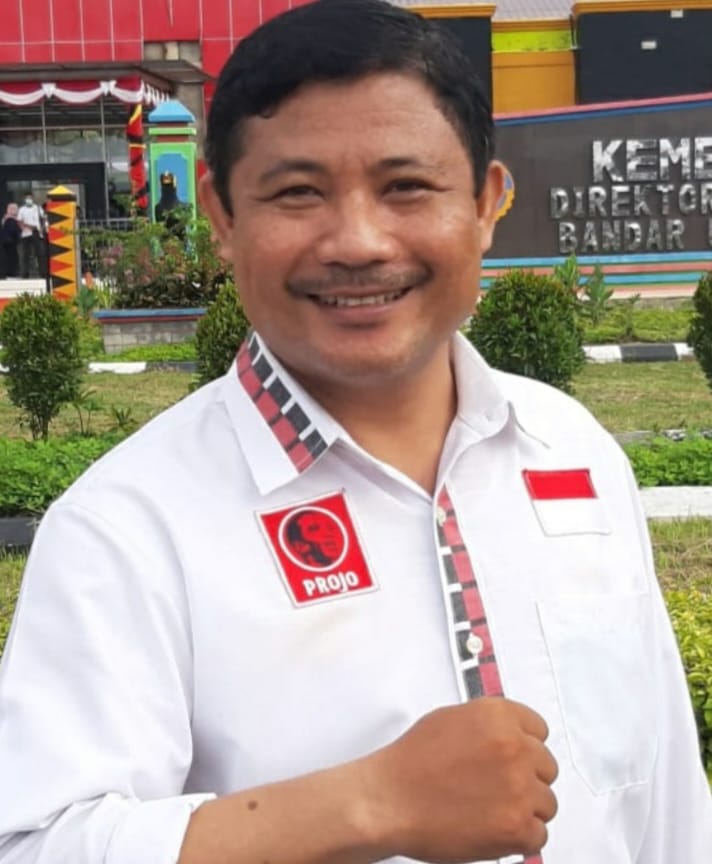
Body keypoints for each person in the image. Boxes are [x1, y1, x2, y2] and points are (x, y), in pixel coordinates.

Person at [0, 2, 710, 863]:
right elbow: (39, 844)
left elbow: (670, 803)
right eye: (297, 193)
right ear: (222, 216)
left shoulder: (573, 450)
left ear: (487, 202)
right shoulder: (126, 527)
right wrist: (370, 804)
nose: (360, 243)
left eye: (406, 186)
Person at [17, 192, 45, 278]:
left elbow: (43, 219)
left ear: (33, 198)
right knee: (25, 254)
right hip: (26, 233)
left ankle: (43, 272)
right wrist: (24, 227)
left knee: (40, 253)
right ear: (24, 199)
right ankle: (25, 273)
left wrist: (42, 228)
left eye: (30, 198)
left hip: (36, 232)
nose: (29, 200)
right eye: (27, 198)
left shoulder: (38, 208)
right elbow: (19, 221)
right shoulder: (22, 210)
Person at [0, 202, 21, 278]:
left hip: (11, 242)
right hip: (9, 242)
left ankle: (11, 272)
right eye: (12, 209)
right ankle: (10, 272)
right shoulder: (8, 219)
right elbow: (11, 230)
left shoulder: (15, 219)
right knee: (10, 258)